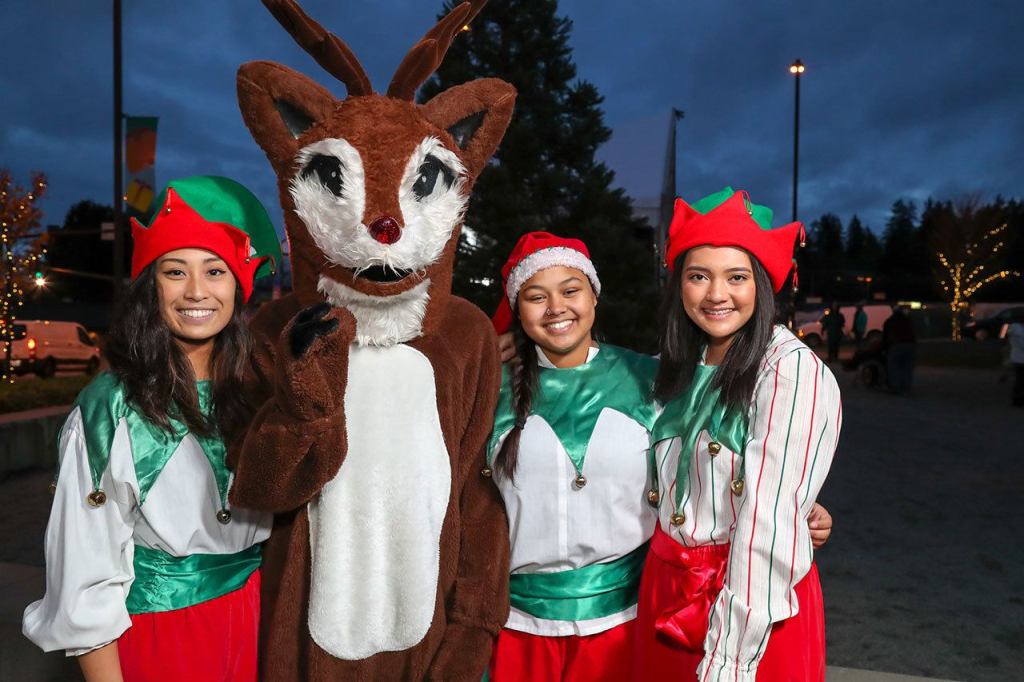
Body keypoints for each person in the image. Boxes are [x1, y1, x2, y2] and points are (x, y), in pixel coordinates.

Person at [486, 231, 833, 681]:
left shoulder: (649, 377)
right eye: (536, 296)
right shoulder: (487, 388)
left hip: (630, 615)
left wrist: (795, 508)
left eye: (571, 290)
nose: (557, 307)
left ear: (594, 294)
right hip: (525, 620)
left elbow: (735, 461)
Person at [23, 176, 281, 681]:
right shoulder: (112, 407)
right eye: (174, 271)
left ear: (238, 286)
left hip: (259, 626)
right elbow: (83, 571)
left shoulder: (262, 391)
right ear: (151, 285)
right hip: (161, 637)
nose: (196, 292)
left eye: (215, 271)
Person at [634, 188, 842, 681]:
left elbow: (768, 523)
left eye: (736, 277)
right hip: (665, 592)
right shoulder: (674, 366)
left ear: (762, 285)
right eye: (698, 275)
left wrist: (729, 662)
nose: (716, 294)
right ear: (678, 284)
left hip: (749, 602)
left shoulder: (789, 370)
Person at [882, 304, 916, 394]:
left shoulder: (890, 321)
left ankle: (896, 387)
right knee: (907, 367)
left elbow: (886, 336)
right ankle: (906, 387)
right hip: (910, 345)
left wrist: (885, 347)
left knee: (894, 367)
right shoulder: (907, 320)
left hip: (896, 345)